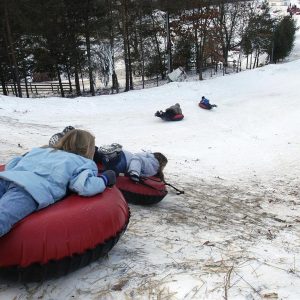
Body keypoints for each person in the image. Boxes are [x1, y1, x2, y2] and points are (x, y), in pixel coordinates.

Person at [0, 129, 116, 237]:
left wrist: (27, 157)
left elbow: (11, 165)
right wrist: (105, 179)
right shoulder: (82, 162)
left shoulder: (41, 150)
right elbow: (83, 186)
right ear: (88, 149)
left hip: (6, 179)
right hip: (30, 190)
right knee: (3, 216)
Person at [98, 147, 168, 182]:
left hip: (123, 156)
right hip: (124, 161)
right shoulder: (153, 165)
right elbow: (138, 159)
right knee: (111, 170)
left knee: (99, 157)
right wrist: (134, 173)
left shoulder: (149, 159)